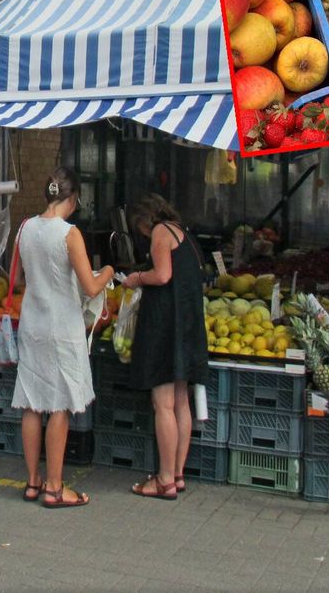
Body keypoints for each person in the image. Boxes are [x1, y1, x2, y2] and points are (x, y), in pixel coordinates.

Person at [11, 167, 111, 509]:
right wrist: (109, 271)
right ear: (72, 199)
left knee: (31, 400)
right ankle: (55, 487)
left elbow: (20, 277)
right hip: (62, 326)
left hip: (32, 323)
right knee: (59, 404)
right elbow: (90, 286)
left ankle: (32, 482)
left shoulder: (25, 228)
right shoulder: (69, 234)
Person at [124, 195, 209, 500]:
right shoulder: (180, 231)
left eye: (139, 227)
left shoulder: (160, 233)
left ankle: (163, 481)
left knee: (163, 405)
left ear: (145, 220)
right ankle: (177, 474)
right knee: (181, 402)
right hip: (185, 326)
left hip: (164, 327)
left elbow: (162, 275)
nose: (142, 233)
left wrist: (136, 278)